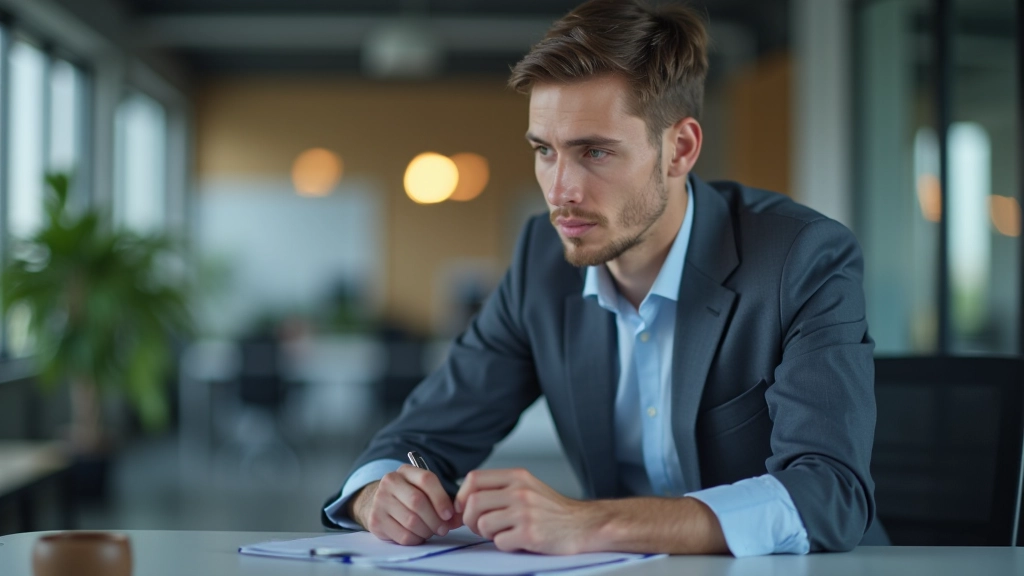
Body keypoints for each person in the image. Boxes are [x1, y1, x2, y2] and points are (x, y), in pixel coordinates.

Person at [322, 0, 883, 557]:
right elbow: (420, 436)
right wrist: (377, 495)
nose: (559, 191)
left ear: (680, 149)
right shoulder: (541, 261)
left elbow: (830, 492)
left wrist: (590, 523)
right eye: (544, 151)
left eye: (594, 152)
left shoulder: (801, 259)